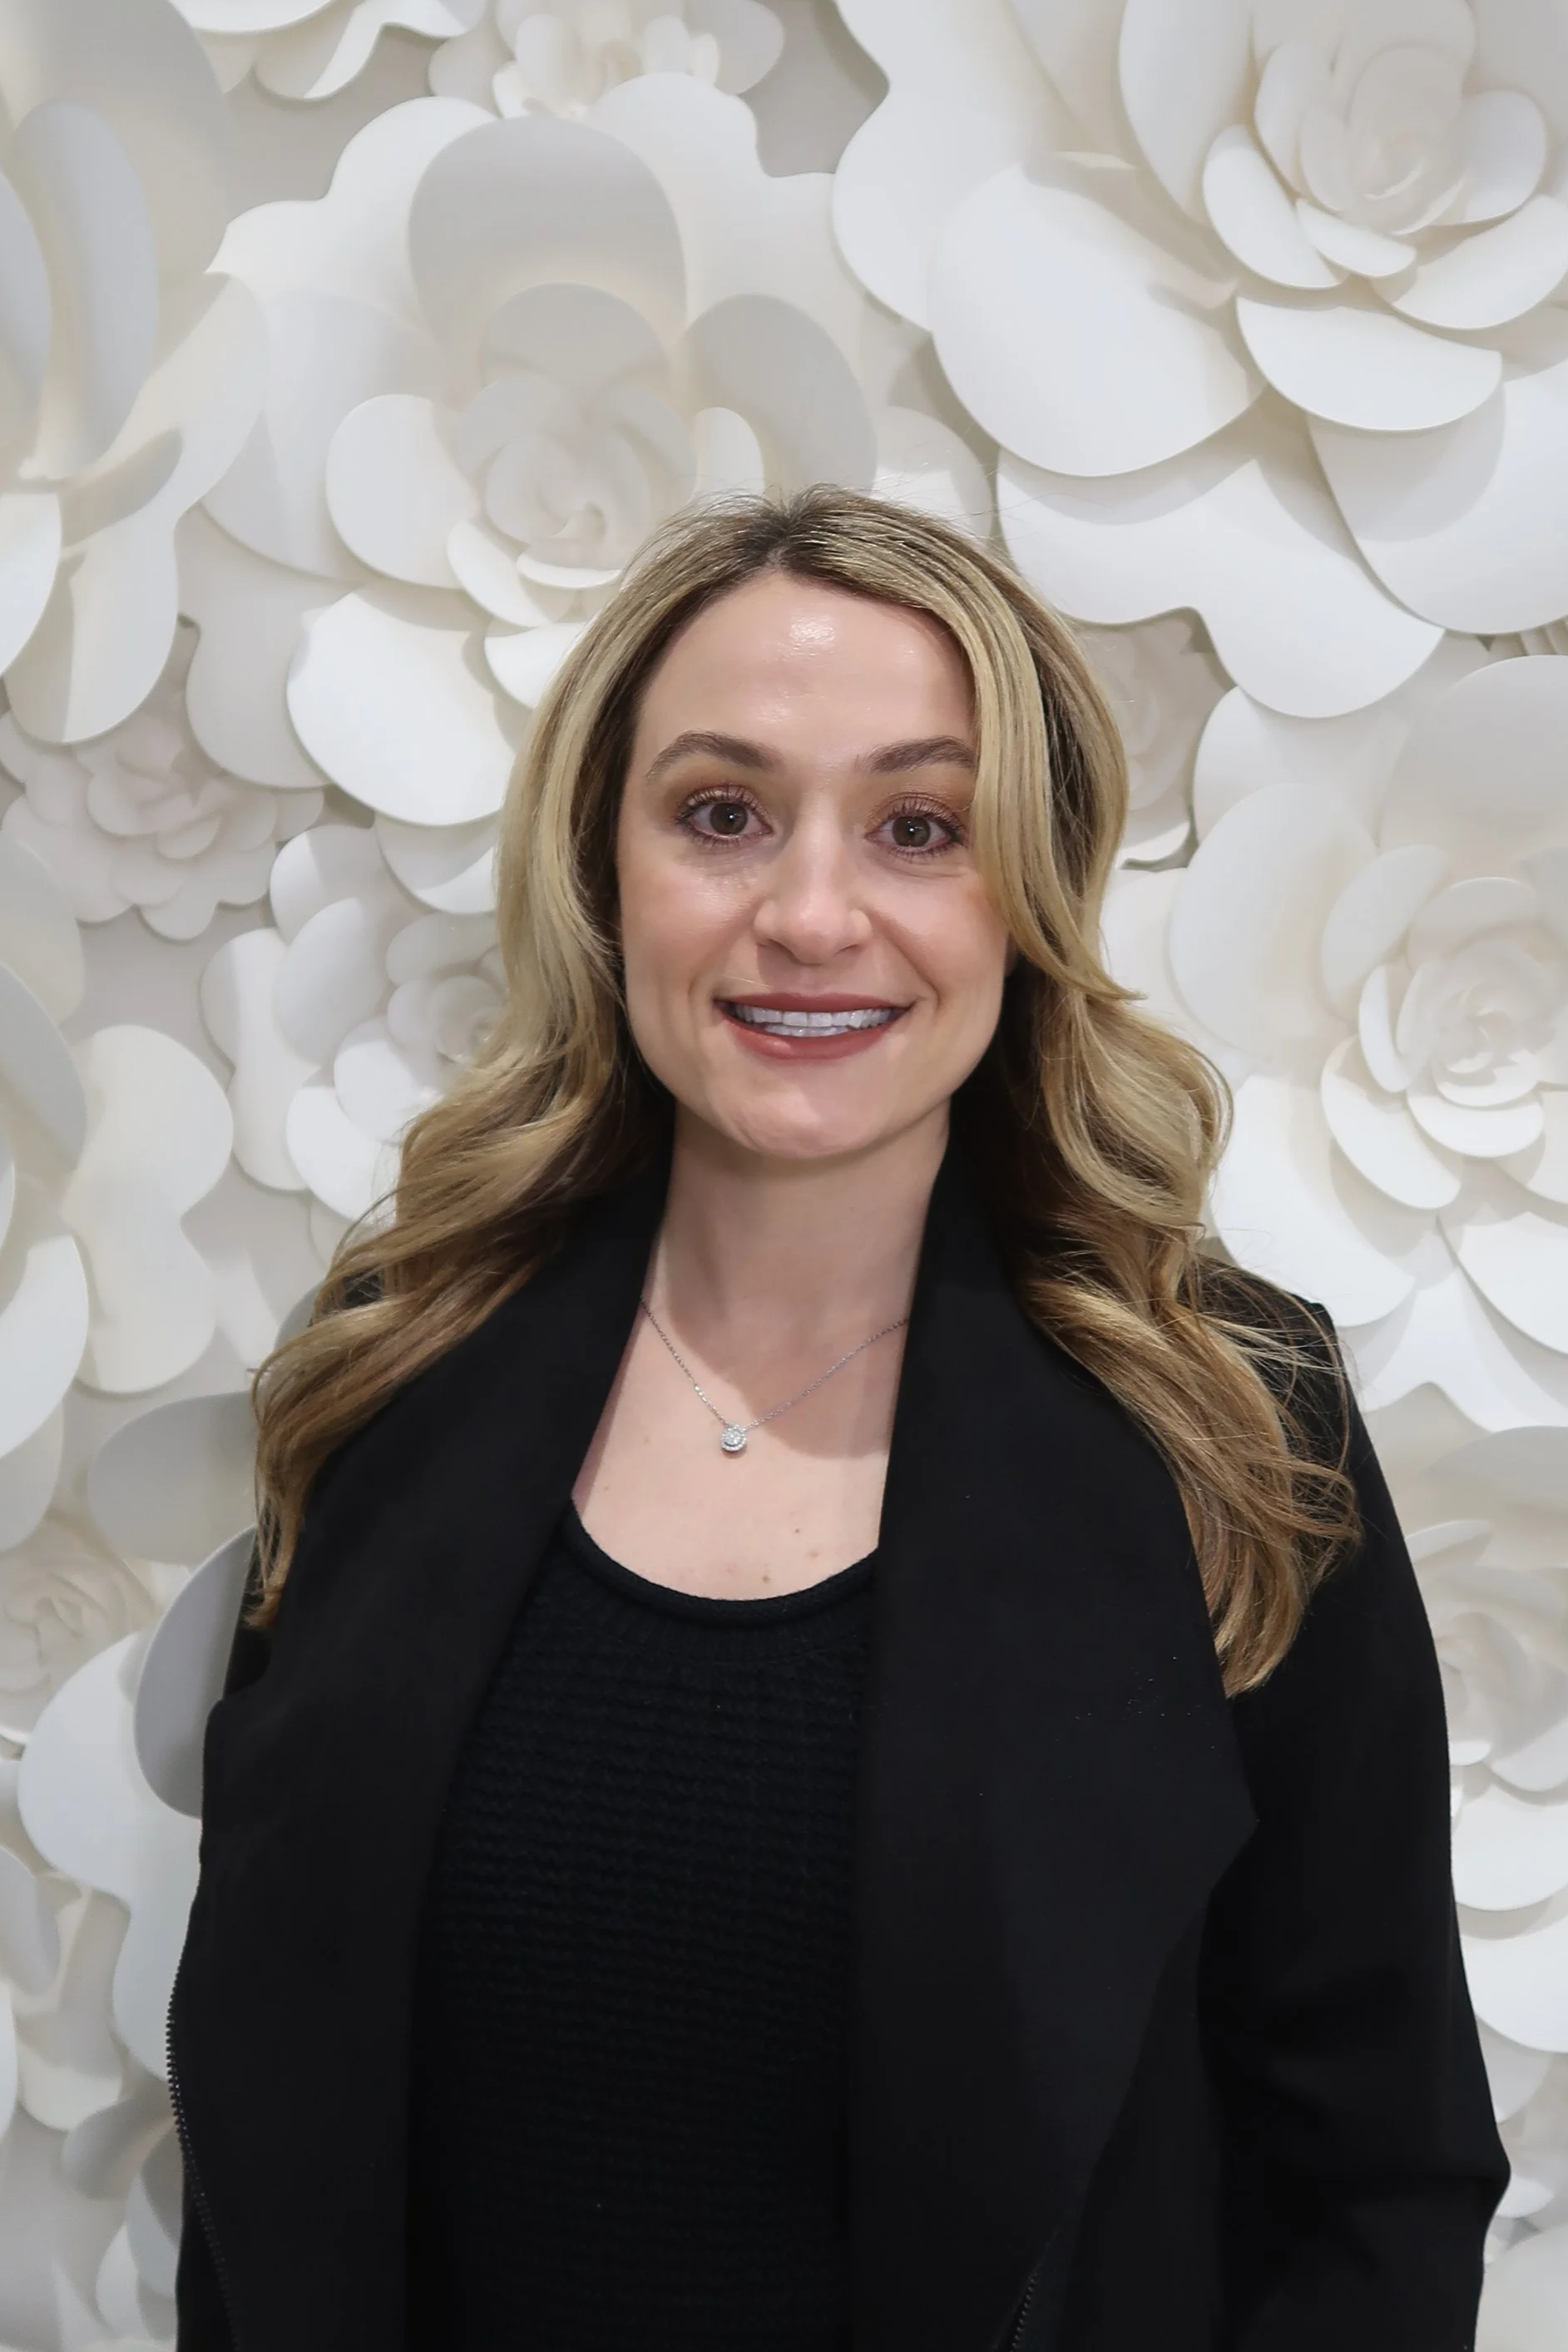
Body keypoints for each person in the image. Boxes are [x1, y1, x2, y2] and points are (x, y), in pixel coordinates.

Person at [167, 486, 1507, 2352]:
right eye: (723, 815)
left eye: (918, 826)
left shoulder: (1230, 1434)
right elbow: (268, 2162)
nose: (811, 913)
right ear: (603, 865)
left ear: (1027, 888)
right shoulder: (392, 1376)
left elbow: (1380, 2180)